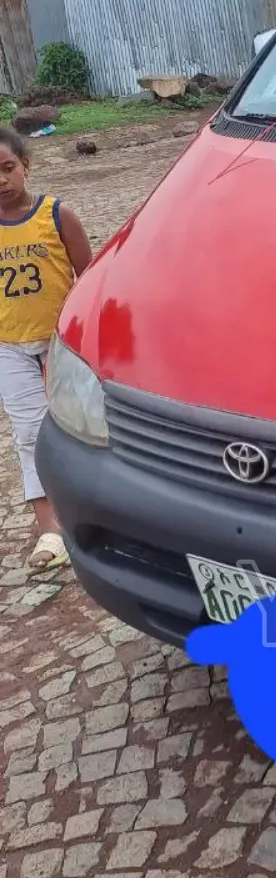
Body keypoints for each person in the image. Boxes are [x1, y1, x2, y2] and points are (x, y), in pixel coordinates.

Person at [0, 126, 92, 569]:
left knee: (84, 425)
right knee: (29, 434)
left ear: (25, 167)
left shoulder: (56, 215)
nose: (1, 179)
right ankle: (50, 530)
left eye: (7, 168)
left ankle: (98, 509)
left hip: (62, 345)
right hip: (10, 348)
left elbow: (89, 279)